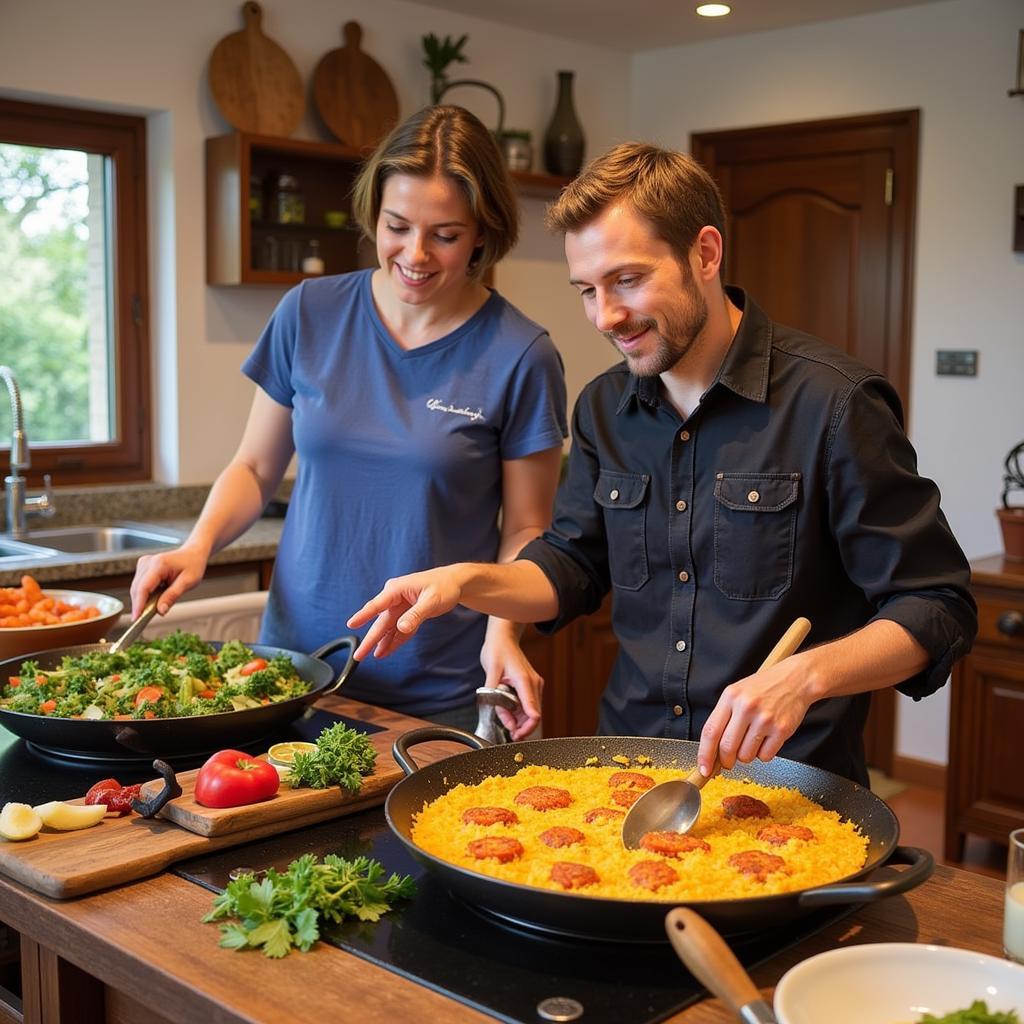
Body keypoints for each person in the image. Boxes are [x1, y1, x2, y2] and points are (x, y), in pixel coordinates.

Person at [347, 142, 977, 786]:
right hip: (627, 772)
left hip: (789, 785)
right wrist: (465, 581)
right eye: (587, 291)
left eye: (627, 279)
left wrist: (805, 677)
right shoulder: (602, 408)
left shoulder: (835, 405)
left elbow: (936, 604)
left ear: (705, 253)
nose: (606, 316)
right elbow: (570, 564)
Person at [130, 106, 568, 739]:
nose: (414, 254)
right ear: (374, 215)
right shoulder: (309, 312)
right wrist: (197, 545)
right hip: (291, 674)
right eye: (397, 226)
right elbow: (255, 467)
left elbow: (528, 526)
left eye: (445, 234)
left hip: (435, 687)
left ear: (482, 233)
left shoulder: (520, 353)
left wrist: (502, 633)